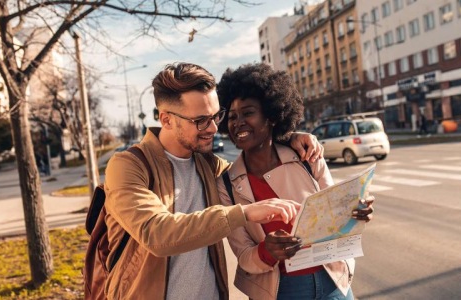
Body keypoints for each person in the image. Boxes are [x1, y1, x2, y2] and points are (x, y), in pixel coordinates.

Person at [103, 62, 324, 299]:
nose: (213, 128)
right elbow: (156, 234)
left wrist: (288, 136)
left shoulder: (208, 164)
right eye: (200, 120)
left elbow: (255, 156)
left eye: (216, 116)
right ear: (166, 120)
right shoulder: (129, 165)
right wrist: (245, 213)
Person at [216, 63, 375, 300]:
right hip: (280, 291)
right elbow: (244, 255)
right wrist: (267, 251)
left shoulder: (307, 157)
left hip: (332, 280)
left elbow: (337, 214)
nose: (238, 122)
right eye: (232, 116)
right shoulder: (227, 183)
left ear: (270, 116)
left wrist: (356, 212)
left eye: (248, 113)